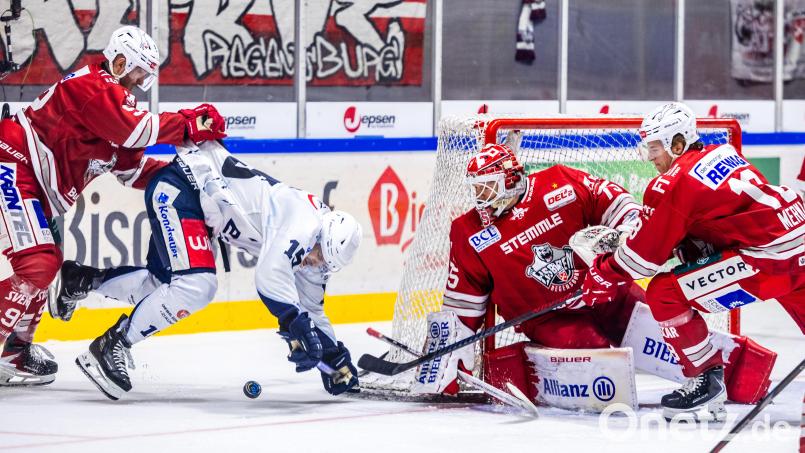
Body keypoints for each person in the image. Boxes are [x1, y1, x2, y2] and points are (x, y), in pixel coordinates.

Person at [0, 25, 226, 386]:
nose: (139, 80)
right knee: (37, 265)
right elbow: (134, 130)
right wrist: (188, 124)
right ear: (119, 61)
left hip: (36, 186)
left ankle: (15, 351)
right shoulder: (92, 86)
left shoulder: (117, 109)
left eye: (144, 75)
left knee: (45, 264)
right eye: (137, 70)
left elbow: (132, 169)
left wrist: (183, 180)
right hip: (13, 162)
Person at [56, 140, 362, 401]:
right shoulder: (304, 223)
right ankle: (113, 344)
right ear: (320, 235)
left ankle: (78, 281)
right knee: (197, 285)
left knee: (162, 288)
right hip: (181, 190)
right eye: (317, 254)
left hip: (197, 210)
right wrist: (294, 322)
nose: (313, 262)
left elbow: (310, 306)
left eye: (323, 263)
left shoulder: (317, 248)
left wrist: (332, 357)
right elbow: (270, 277)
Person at [581, 102, 805, 419]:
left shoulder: (672, 183)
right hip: (797, 237)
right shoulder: (722, 153)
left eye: (655, 147)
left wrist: (603, 273)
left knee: (664, 293)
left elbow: (640, 262)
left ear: (678, 143)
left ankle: (705, 379)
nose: (650, 157)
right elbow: (721, 222)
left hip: (768, 258)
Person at [416, 141, 645, 395]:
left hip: (605, 293)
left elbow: (621, 205)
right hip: (548, 317)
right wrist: (447, 347)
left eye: (488, 187)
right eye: (477, 189)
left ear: (510, 179)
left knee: (658, 324)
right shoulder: (469, 231)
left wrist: (624, 235)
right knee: (599, 360)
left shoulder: (560, 182)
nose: (481, 199)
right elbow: (463, 304)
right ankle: (531, 363)